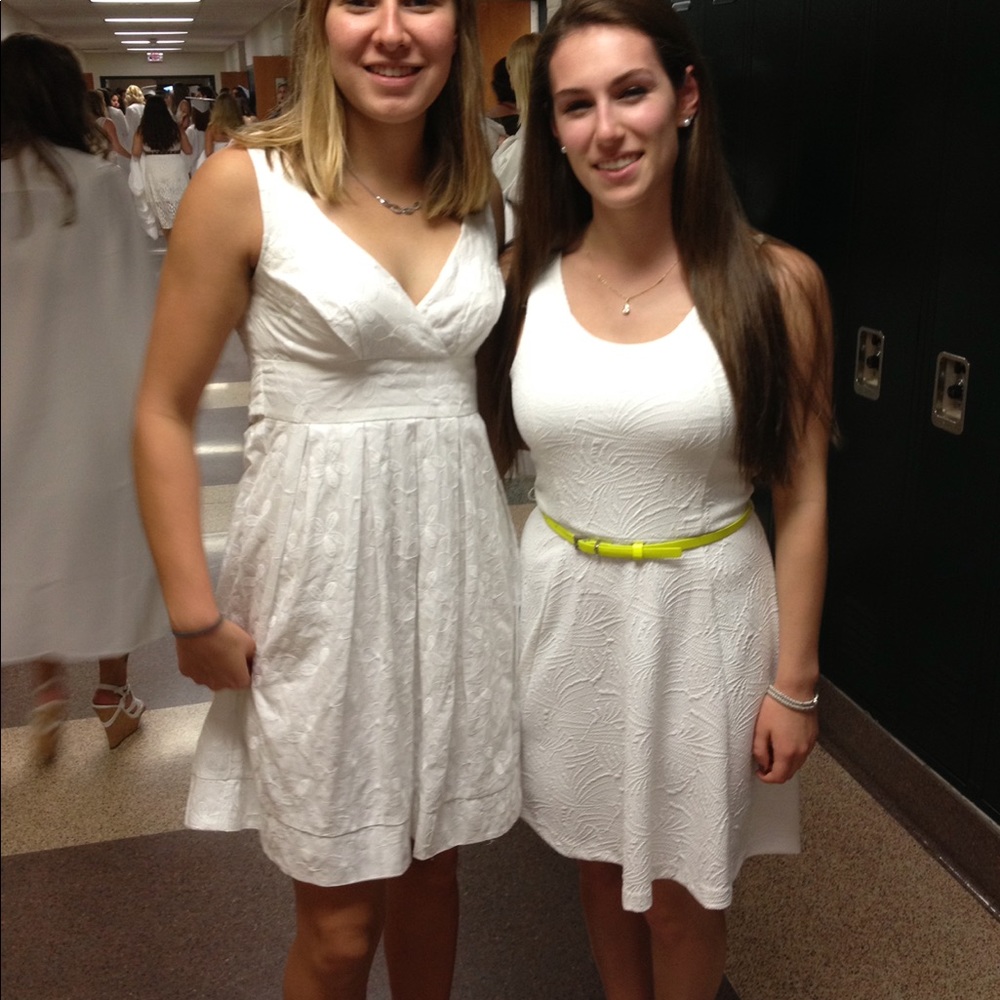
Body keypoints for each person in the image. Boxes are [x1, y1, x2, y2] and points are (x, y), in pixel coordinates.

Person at [132, 0, 517, 997]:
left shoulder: (479, 196)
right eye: (359, 1)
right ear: (317, 23)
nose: (392, 30)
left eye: (423, 2)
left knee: (437, 871)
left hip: (457, 574)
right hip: (320, 580)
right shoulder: (244, 185)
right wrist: (191, 610)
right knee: (342, 924)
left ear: (459, 28)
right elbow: (163, 412)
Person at [478, 1, 833, 997]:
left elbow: (801, 500)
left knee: (685, 890)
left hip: (705, 616)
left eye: (630, 91)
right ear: (550, 128)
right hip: (565, 609)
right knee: (594, 857)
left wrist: (793, 681)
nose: (608, 128)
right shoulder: (521, 281)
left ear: (684, 98)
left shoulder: (775, 283)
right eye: (576, 104)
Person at [1, 33, 167, 763]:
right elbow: (137, 299)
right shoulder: (97, 184)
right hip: (95, 400)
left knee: (27, 543)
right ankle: (111, 693)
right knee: (110, 545)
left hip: (12, 405)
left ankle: (44, 696)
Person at [491, 33, 541, 244]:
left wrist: (505, 149)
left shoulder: (526, 144)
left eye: (511, 70)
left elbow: (502, 185)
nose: (509, 79)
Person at [130, 94, 192, 240]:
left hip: (154, 170)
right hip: (175, 167)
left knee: (163, 211)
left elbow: (136, 152)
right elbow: (188, 149)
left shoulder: (142, 130)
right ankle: (181, 243)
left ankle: (171, 244)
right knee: (179, 207)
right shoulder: (175, 128)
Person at [202, 92, 243, 158]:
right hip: (236, 160)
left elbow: (208, 153)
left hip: (217, 161)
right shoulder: (241, 125)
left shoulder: (212, 128)